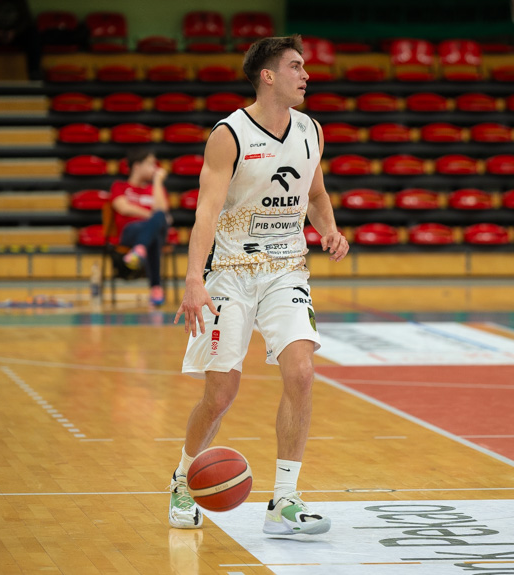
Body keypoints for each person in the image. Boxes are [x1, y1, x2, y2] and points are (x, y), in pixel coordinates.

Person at [170, 35, 348, 535]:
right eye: (296, 67)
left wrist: (328, 228)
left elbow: (315, 192)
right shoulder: (229, 135)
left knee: (302, 371)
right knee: (221, 392)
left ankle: (284, 500)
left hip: (287, 269)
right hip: (229, 272)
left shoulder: (311, 129)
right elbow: (205, 212)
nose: (306, 75)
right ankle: (184, 481)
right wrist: (192, 279)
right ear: (268, 75)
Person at [109, 147, 170, 307]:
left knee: (158, 221)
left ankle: (140, 249)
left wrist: (157, 181)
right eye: (150, 164)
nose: (155, 169)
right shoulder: (120, 186)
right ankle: (156, 288)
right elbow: (123, 207)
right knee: (154, 230)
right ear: (137, 166)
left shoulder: (155, 189)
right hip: (129, 232)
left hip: (149, 234)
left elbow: (162, 210)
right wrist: (151, 216)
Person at [0, 0, 42, 81]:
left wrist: (15, 31)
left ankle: (34, 72)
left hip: (15, 35)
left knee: (33, 33)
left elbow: (27, 20)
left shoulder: (19, 2)